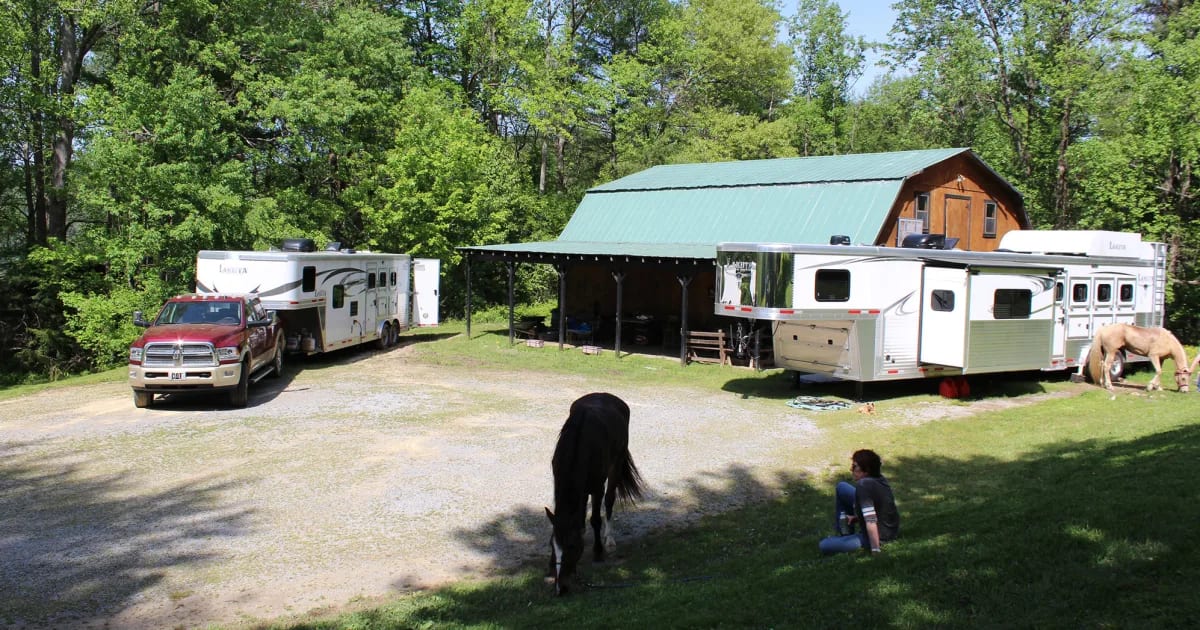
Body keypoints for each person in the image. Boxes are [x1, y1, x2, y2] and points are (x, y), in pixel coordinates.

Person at [818, 449, 900, 555]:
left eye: (855, 467)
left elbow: (871, 520)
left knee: (824, 545)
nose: (851, 469)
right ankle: (845, 531)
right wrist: (857, 518)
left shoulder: (863, 486)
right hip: (890, 528)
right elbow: (880, 506)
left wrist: (875, 549)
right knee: (842, 487)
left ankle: (846, 537)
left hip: (880, 536)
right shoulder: (879, 478)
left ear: (867, 470)